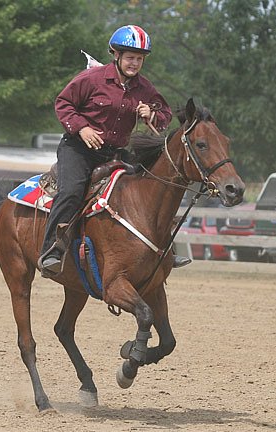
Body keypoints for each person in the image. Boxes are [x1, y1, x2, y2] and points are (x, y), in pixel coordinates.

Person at [38, 25, 188, 277]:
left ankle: (166, 248)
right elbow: (63, 103)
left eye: (139, 59)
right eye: (130, 57)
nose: (135, 63)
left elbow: (165, 114)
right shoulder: (91, 79)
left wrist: (152, 113)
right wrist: (82, 128)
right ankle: (52, 250)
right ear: (116, 55)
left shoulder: (145, 88)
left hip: (115, 153)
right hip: (78, 150)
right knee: (72, 191)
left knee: (155, 187)